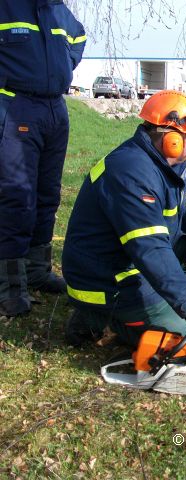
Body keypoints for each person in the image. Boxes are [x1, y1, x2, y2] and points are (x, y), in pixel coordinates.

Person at [62, 90, 186, 350]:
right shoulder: (132, 172)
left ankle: (164, 302)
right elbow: (151, 249)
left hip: (135, 264)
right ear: (170, 137)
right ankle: (102, 321)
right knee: (185, 344)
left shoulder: (163, 164)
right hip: (108, 281)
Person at [0, 1, 86, 317]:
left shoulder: (57, 10)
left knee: (47, 196)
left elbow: (78, 39)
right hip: (15, 106)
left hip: (54, 110)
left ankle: (36, 271)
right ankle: (9, 286)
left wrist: (59, 67)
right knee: (16, 198)